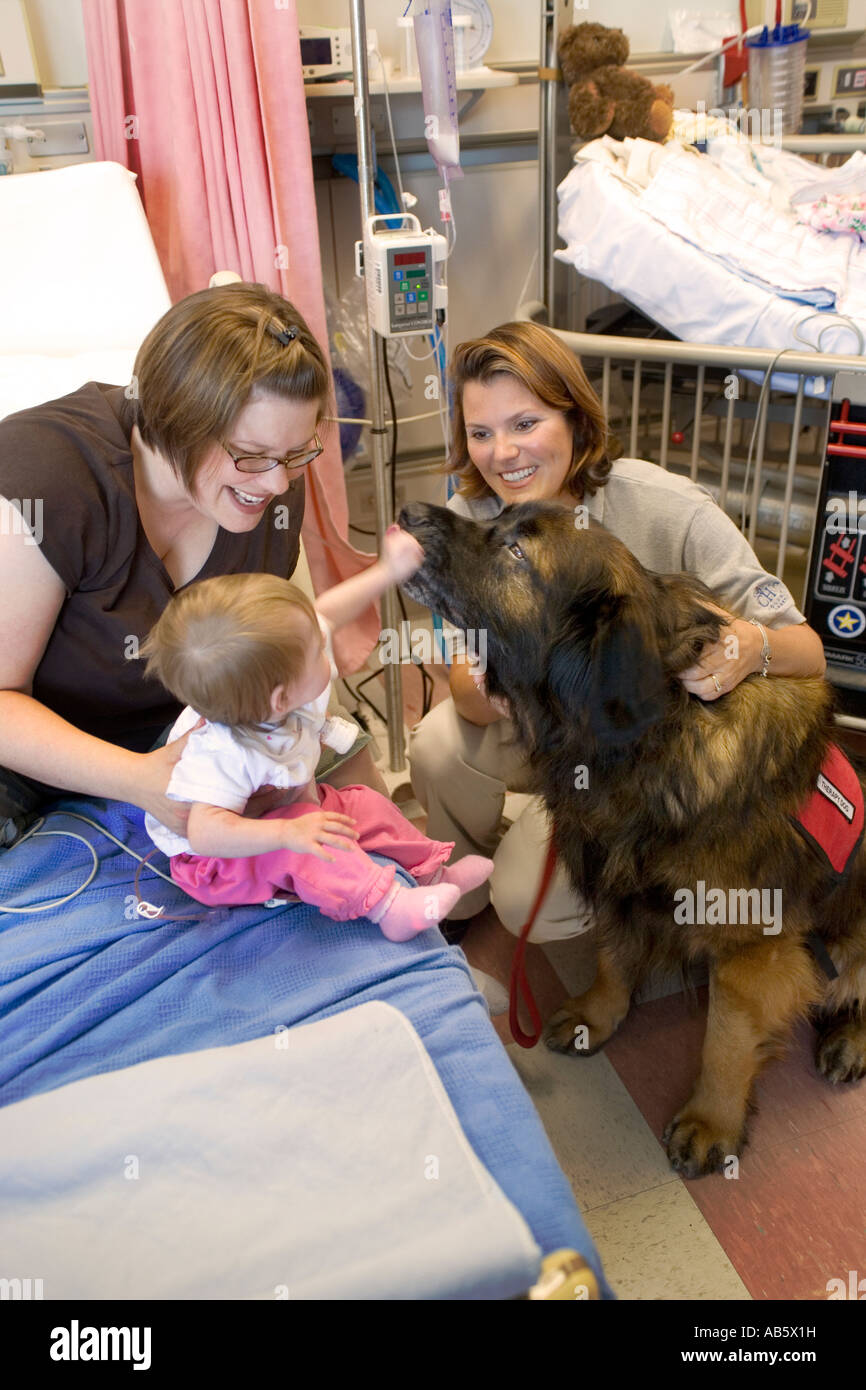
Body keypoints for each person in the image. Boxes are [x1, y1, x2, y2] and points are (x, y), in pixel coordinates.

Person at [409, 320, 827, 942]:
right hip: (541, 734)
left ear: (576, 421)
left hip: (640, 764)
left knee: (531, 906)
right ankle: (458, 899)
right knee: (435, 745)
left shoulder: (670, 508)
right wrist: (523, 683)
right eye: (481, 433)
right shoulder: (473, 519)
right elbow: (467, 695)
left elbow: (810, 652)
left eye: (525, 424)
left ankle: (580, 875)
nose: (503, 454)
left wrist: (748, 649)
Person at [0, 282, 383, 850]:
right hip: (32, 757)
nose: (277, 484)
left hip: (194, 731)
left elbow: (271, 648)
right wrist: (142, 781)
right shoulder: (45, 483)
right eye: (252, 456)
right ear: (175, 421)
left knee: (359, 796)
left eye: (295, 454)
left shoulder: (269, 485)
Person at [140, 543, 494, 939]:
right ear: (281, 699)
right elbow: (205, 832)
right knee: (312, 840)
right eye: (316, 652)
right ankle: (388, 909)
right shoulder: (221, 752)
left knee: (362, 802)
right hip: (222, 862)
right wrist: (285, 833)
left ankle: (432, 873)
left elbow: (326, 613)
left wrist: (388, 570)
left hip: (281, 813)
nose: (323, 643)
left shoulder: (280, 674)